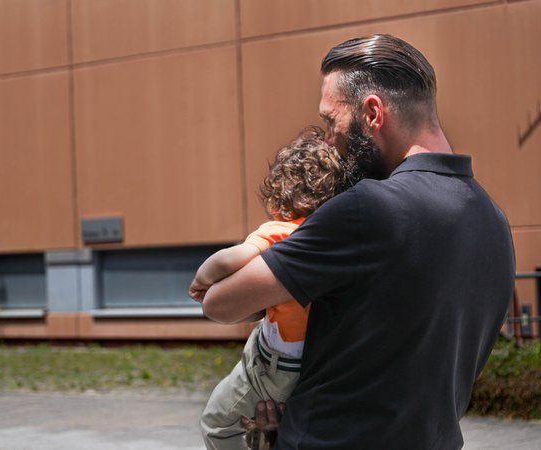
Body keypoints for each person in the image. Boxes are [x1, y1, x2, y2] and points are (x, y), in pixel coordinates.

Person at [199, 34, 515, 449]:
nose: (329, 140)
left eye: (332, 122)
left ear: (372, 113)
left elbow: (220, 302)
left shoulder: (368, 209)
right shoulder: (493, 221)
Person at [190, 126, 350, 450]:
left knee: (217, 424)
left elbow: (233, 257)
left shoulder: (283, 233)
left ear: (281, 192)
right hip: (308, 364)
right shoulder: (340, 239)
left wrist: (201, 281)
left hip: (275, 365)